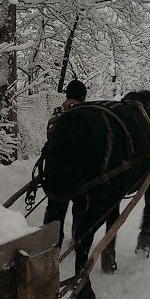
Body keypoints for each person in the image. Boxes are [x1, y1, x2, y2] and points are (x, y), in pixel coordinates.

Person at [44, 79, 88, 257]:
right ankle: (78, 237)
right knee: (80, 208)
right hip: (79, 176)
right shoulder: (86, 115)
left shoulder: (56, 115)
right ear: (83, 97)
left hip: (54, 175)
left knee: (55, 211)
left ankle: (51, 244)